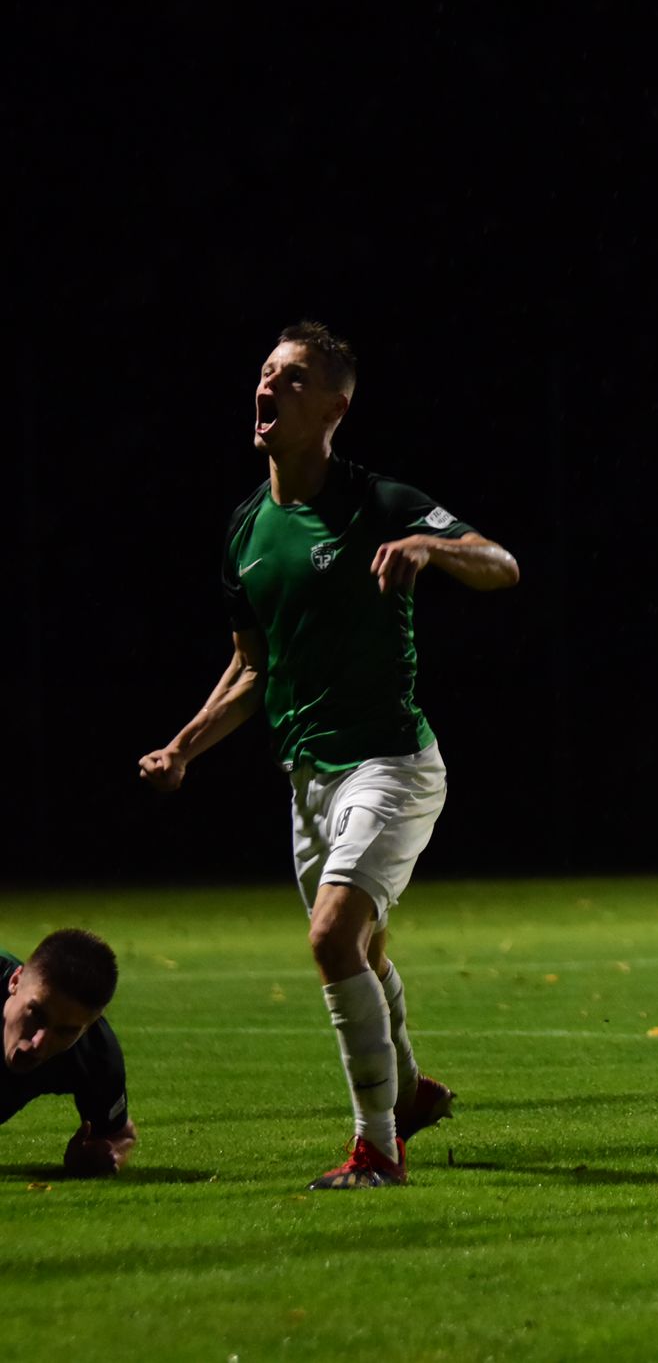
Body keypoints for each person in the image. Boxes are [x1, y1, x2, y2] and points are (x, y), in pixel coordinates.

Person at [139, 321, 520, 1188]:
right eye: (266, 372)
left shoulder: (378, 501)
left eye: (294, 378)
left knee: (331, 935)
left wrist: (434, 546)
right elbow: (251, 665)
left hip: (391, 764)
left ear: (335, 408)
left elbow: (502, 563)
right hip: (306, 778)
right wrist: (183, 747)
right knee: (363, 949)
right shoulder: (246, 529)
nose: (268, 387)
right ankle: (413, 1092)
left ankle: (376, 1147)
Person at [2, 930, 136, 1176]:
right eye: (36, 1014)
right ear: (15, 981)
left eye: (66, 1031)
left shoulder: (95, 1056)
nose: (38, 1043)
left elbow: (120, 1134)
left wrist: (102, 1154)